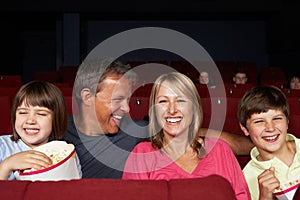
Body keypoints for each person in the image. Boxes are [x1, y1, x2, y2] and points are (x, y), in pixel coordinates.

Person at [63, 58, 254, 178]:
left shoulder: (135, 132)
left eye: (128, 99)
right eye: (118, 100)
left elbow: (193, 134)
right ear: (87, 96)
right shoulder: (56, 133)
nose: (127, 108)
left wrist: (260, 145)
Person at [122, 72, 251, 199]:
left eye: (180, 100)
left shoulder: (220, 149)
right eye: (163, 101)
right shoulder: (142, 155)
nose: (172, 110)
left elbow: (241, 196)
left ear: (194, 108)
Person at [0, 81, 82, 180]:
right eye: (22, 112)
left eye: (41, 114)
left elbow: (73, 191)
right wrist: (6, 165)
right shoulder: (2, 147)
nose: (30, 120)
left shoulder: (66, 153)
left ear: (56, 119)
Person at [238, 86, 300, 200]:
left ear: (287, 122)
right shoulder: (246, 179)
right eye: (259, 121)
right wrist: (265, 198)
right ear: (245, 129)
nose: (270, 128)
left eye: (277, 119)